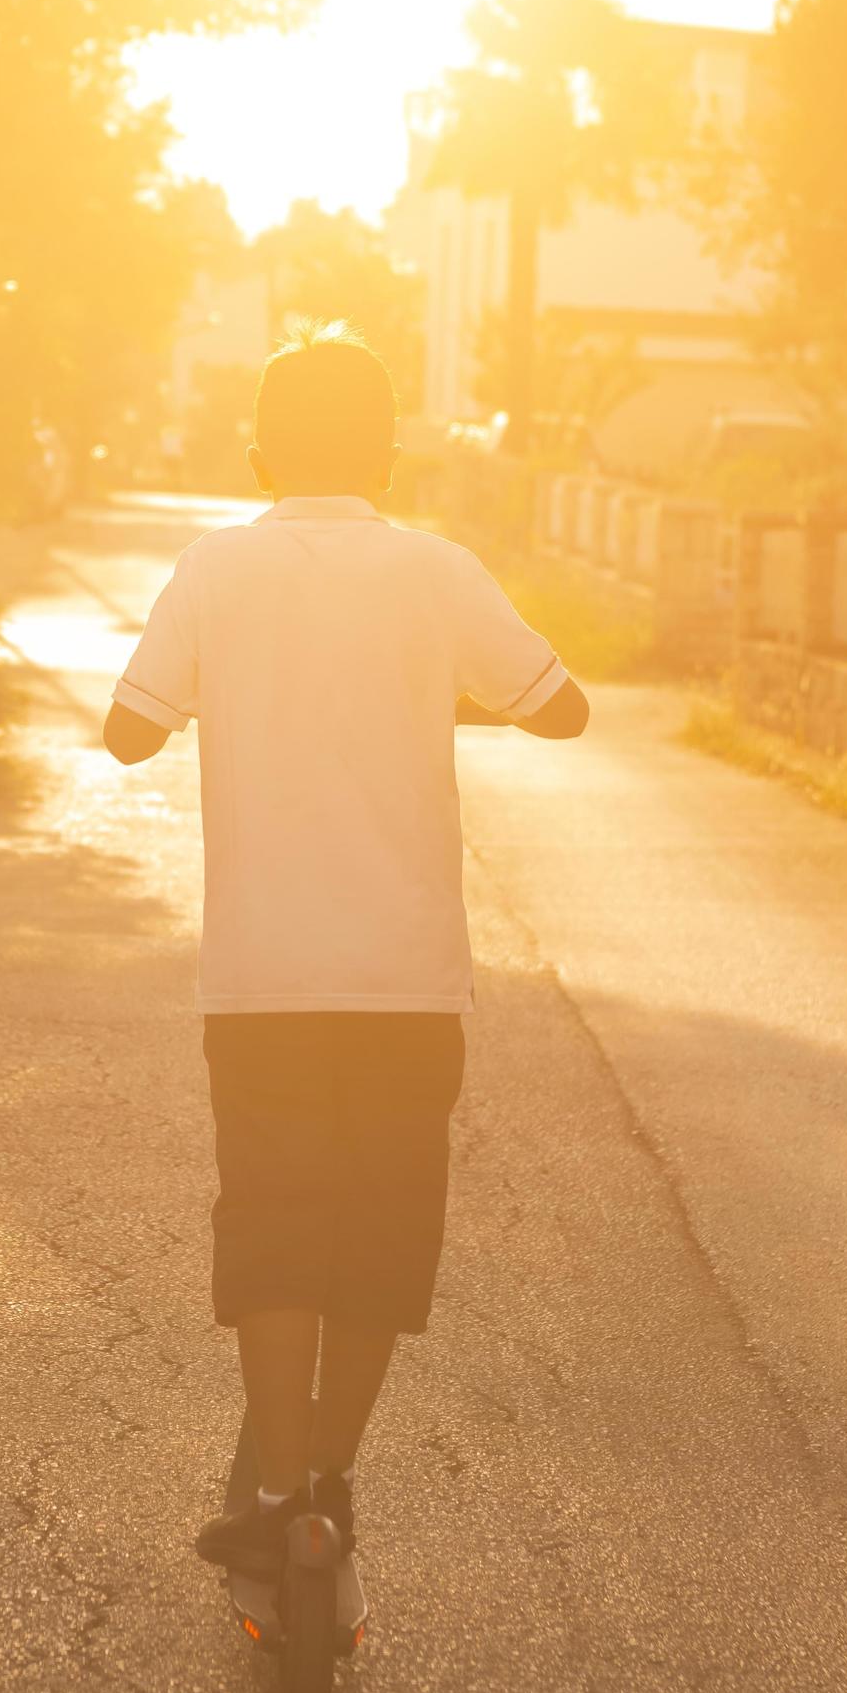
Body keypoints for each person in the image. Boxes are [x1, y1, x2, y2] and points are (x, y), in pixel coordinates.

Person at [102, 325, 589, 1573]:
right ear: (387, 455)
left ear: (257, 454)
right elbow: (561, 707)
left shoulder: (214, 567)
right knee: (379, 1226)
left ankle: (271, 1489)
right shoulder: (434, 570)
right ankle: (329, 1478)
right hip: (403, 974)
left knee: (271, 1216)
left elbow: (126, 734)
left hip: (262, 973)